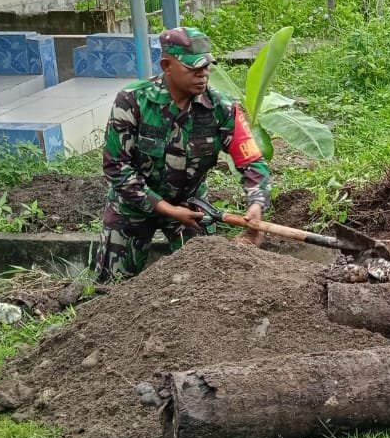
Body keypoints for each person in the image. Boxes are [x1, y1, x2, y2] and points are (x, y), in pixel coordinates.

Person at [93, 26, 271, 282]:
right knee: (112, 287)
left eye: (207, 67)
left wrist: (256, 205)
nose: (203, 76)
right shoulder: (133, 101)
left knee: (206, 283)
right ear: (167, 65)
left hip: (190, 208)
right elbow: (116, 167)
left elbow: (253, 163)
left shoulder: (221, 108)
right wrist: (165, 207)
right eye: (193, 69)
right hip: (132, 206)